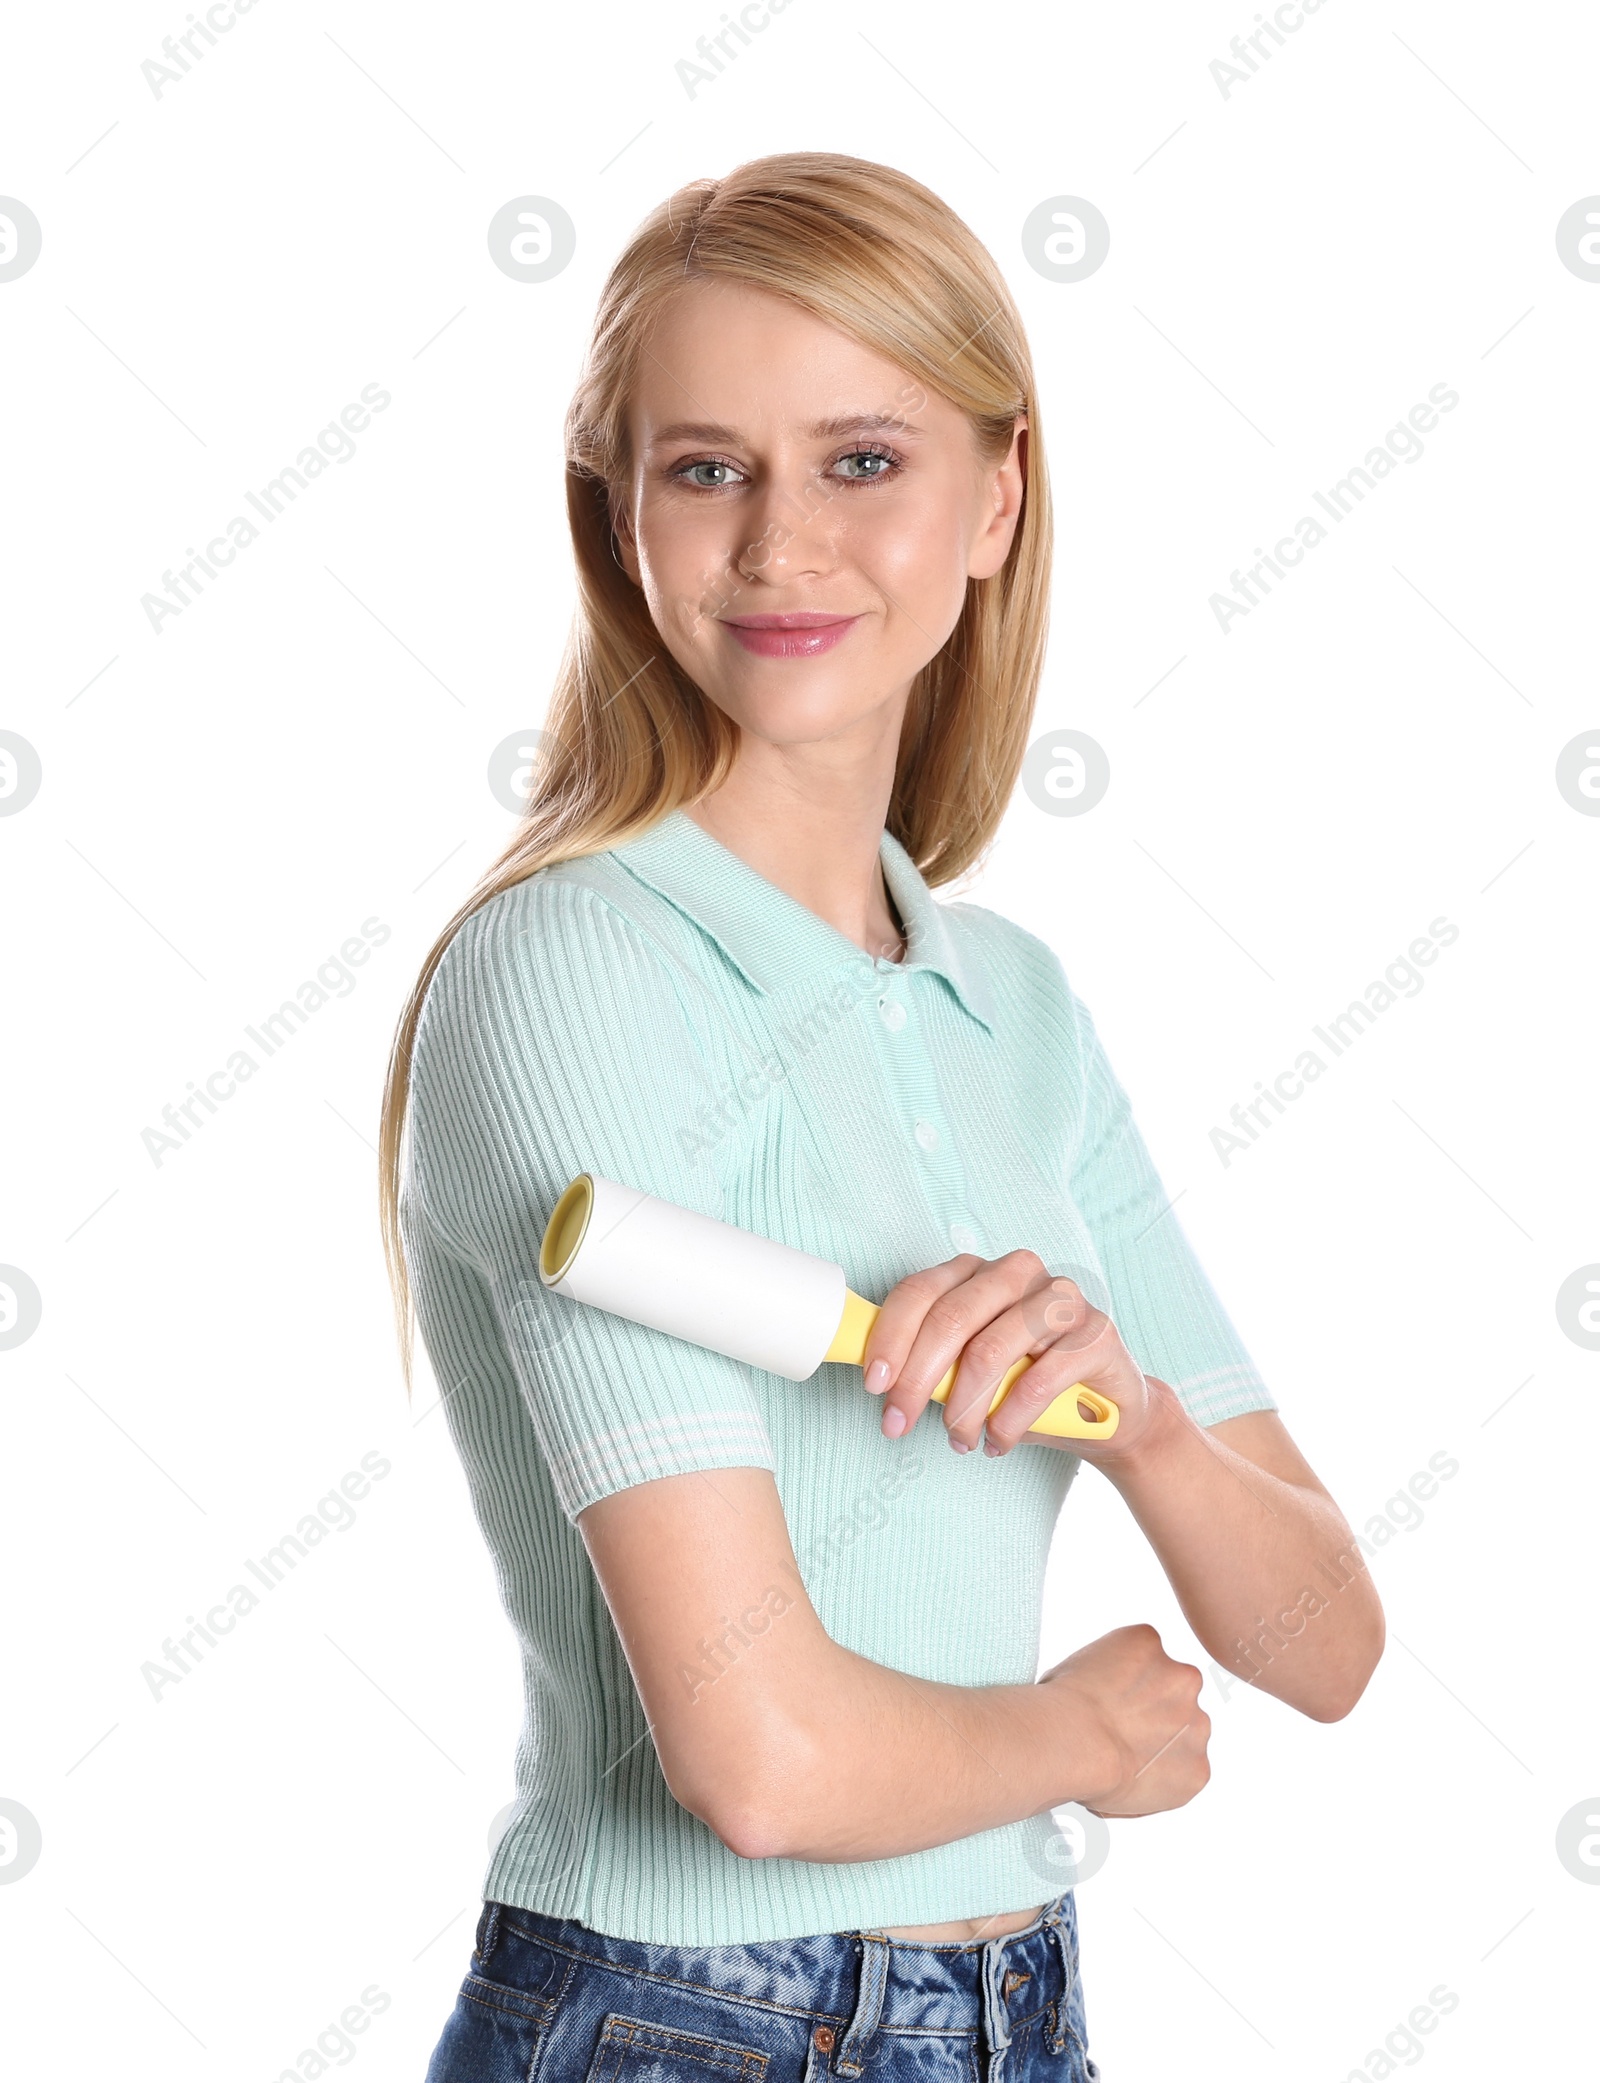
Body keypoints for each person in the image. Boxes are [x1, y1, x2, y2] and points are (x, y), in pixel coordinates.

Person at [378, 152, 1384, 2083]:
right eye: (704, 467)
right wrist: (1084, 1738)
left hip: (1017, 2016)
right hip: (691, 2023)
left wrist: (1140, 1414)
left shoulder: (1010, 1002)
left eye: (861, 461)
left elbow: (1323, 1641)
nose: (780, 546)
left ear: (998, 496)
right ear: (618, 513)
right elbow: (762, 1761)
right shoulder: (573, 970)